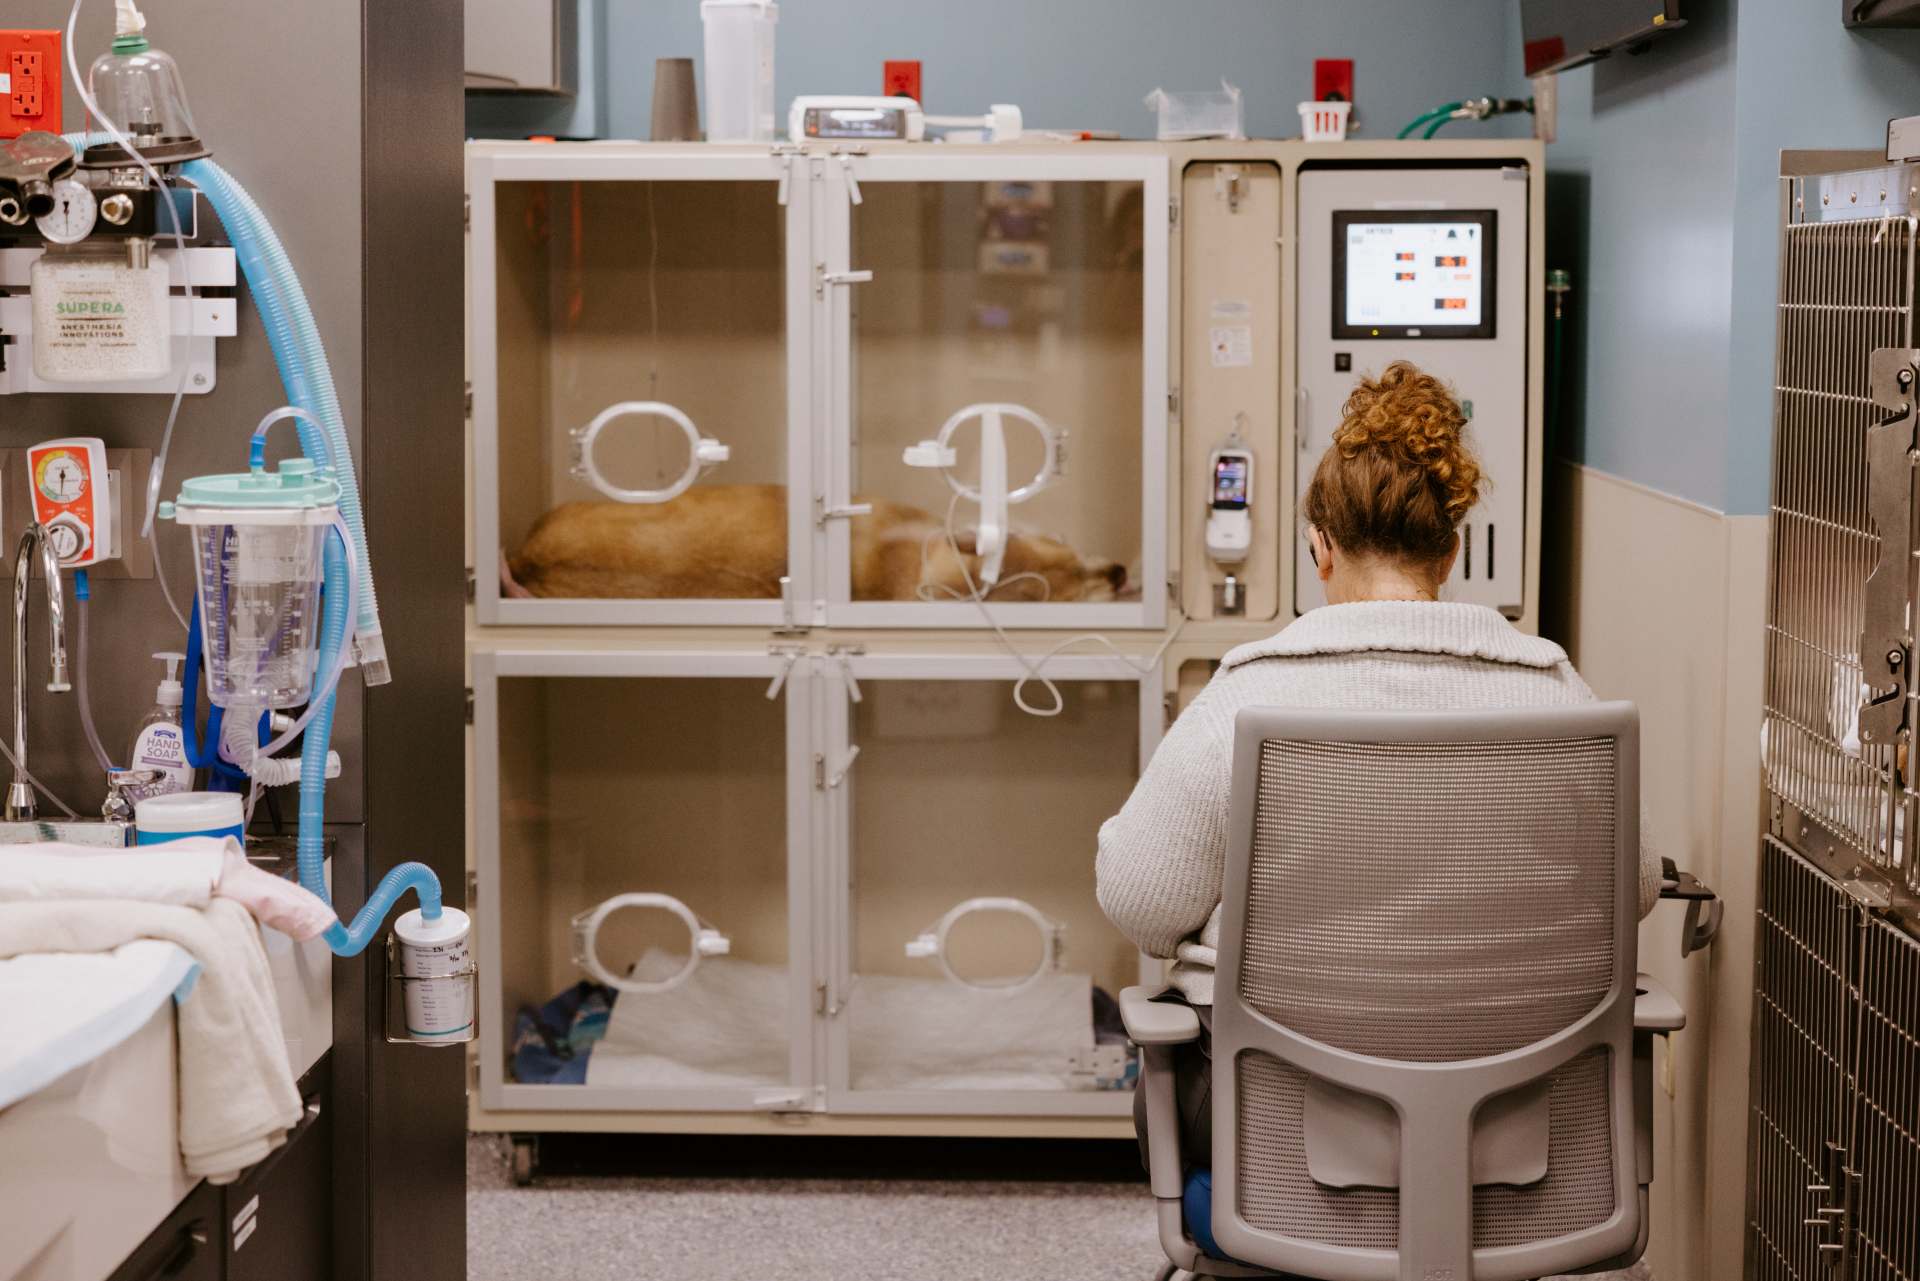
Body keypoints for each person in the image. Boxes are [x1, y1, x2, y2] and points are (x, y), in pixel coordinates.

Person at [1096, 359, 1659, 1166]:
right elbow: (1631, 894)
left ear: (1319, 548)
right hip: (1512, 1141)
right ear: (1452, 551)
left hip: (1279, 1145)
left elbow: (1142, 903)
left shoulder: (1245, 700)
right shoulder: (1558, 694)